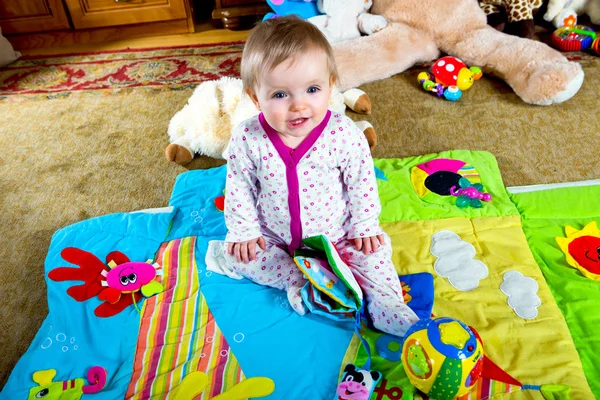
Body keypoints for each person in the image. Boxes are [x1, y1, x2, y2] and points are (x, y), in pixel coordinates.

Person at [208, 15, 418, 337]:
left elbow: (361, 182)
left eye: (312, 89)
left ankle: (388, 307)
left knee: (373, 252)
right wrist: (245, 231)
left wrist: (363, 224)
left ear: (331, 87)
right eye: (280, 95)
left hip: (337, 235)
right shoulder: (247, 138)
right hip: (275, 238)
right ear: (255, 97)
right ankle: (301, 281)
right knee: (239, 255)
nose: (299, 105)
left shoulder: (342, 134)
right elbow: (239, 188)